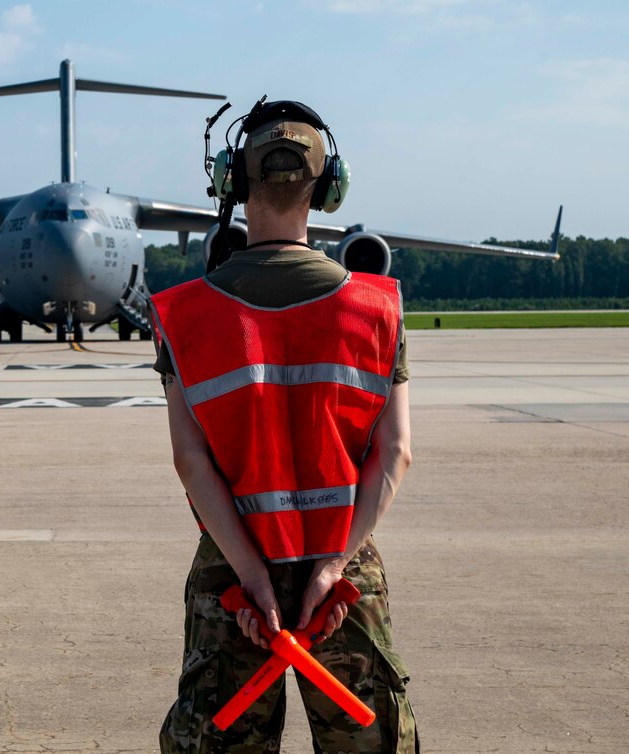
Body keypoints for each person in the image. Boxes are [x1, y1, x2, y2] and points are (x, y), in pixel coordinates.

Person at [151, 102, 419, 753]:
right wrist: (329, 566)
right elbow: (396, 454)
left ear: (230, 182)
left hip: (236, 583)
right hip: (343, 580)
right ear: (329, 188)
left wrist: (251, 574)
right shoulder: (376, 308)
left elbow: (192, 463)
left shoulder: (184, 316)